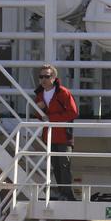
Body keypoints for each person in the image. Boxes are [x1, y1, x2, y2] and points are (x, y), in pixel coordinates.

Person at [35, 64, 78, 201]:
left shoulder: (63, 92)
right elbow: (40, 115)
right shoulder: (40, 94)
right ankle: (62, 193)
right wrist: (39, 110)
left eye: (47, 76)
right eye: (41, 76)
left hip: (63, 135)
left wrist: (50, 118)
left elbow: (73, 112)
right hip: (50, 135)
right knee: (56, 166)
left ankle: (67, 195)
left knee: (64, 165)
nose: (43, 79)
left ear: (54, 77)